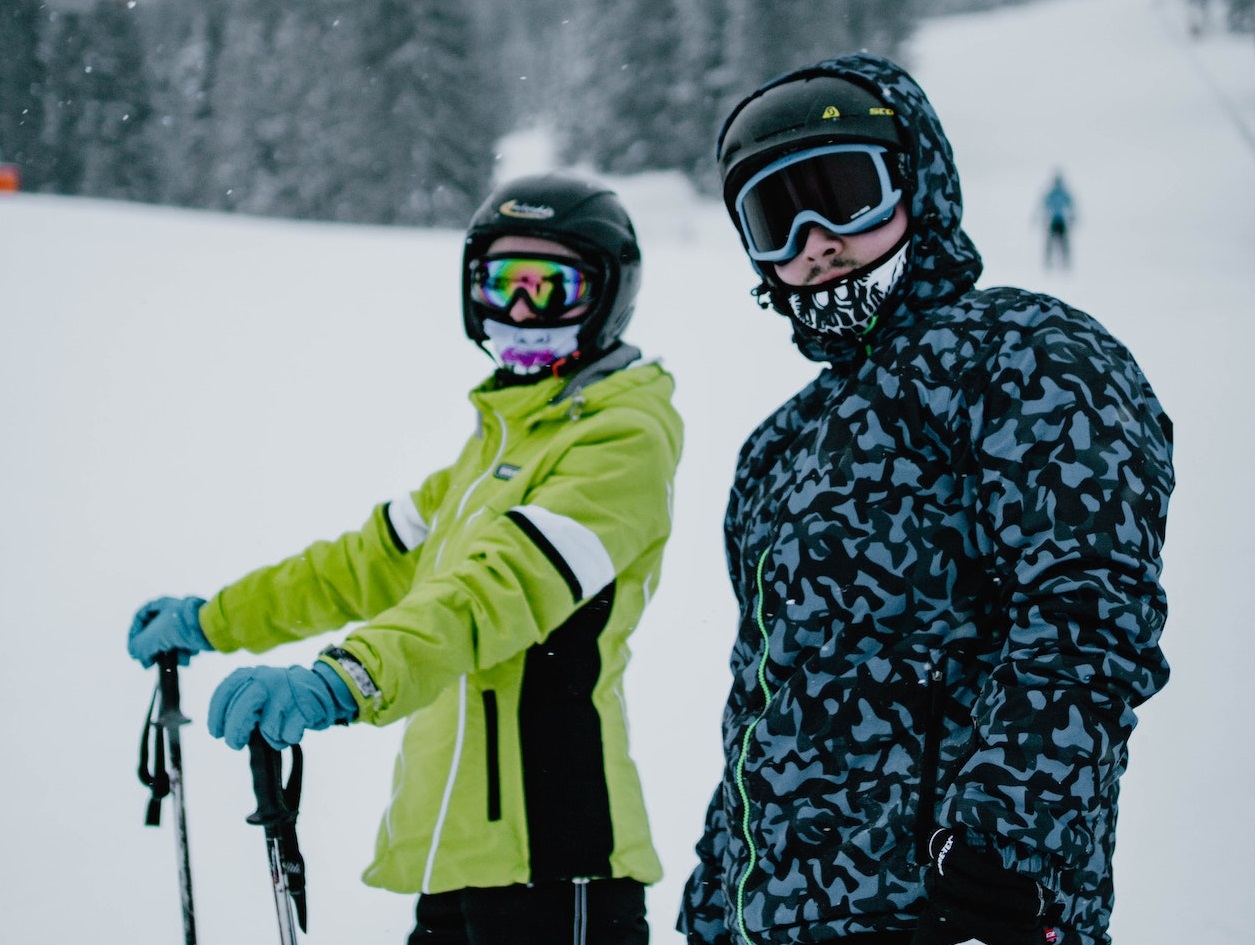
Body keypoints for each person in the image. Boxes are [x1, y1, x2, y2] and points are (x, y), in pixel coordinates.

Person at [677, 54, 1172, 945]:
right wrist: (719, 896)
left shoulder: (1024, 356)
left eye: (842, 195)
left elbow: (1090, 610)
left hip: (953, 910)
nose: (815, 241)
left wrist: (1004, 850)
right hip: (781, 922)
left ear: (918, 186)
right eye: (774, 219)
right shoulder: (777, 446)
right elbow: (764, 695)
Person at [127, 172, 684, 945]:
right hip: (458, 858)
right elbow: (364, 564)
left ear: (607, 295)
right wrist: (213, 619)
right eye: (500, 285)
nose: (519, 311)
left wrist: (343, 680)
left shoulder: (619, 438)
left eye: (549, 287)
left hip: (560, 859)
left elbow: (490, 594)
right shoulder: (501, 440)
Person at [1040, 172, 1075, 269]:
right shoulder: (1058, 193)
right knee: (1056, 243)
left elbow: (1045, 206)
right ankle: (1052, 262)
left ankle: (1062, 262)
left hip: (1058, 220)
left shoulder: (1056, 193)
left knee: (1059, 243)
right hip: (1057, 220)